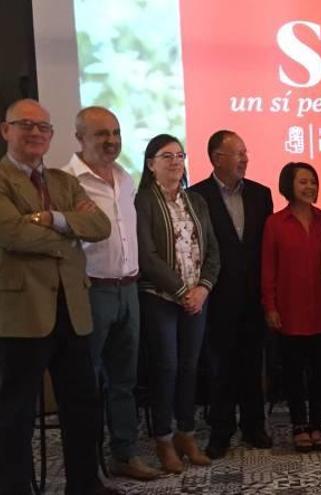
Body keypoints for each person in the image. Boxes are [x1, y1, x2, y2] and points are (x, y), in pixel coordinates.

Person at [0, 99, 118, 494]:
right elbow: (11, 234)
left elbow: (99, 226)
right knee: (14, 414)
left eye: (43, 128)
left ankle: (84, 485)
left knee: (82, 405)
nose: (35, 133)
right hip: (22, 313)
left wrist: (53, 219)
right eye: (24, 125)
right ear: (6, 131)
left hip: (73, 309)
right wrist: (69, 235)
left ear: (52, 137)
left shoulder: (62, 181)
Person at [61, 106, 161, 480]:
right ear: (80, 138)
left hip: (128, 289)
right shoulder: (65, 181)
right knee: (87, 384)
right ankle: (90, 467)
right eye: (101, 134)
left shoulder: (125, 177)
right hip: (91, 291)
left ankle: (125, 453)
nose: (111, 141)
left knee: (124, 381)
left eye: (116, 132)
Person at [136, 133, 220, 473]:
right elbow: (147, 255)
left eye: (180, 155)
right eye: (166, 156)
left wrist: (201, 289)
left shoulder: (196, 201)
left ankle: (187, 434)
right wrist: (181, 291)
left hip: (196, 300)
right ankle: (164, 440)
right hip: (160, 299)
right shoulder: (142, 201)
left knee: (189, 368)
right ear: (150, 164)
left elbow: (212, 252)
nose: (175, 162)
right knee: (166, 368)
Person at [189, 130, 274, 459]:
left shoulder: (261, 194)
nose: (245, 158)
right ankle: (221, 430)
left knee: (253, 363)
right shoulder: (196, 196)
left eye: (245, 152)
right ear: (216, 158)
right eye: (237, 153)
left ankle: (254, 425)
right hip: (216, 296)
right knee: (220, 365)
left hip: (254, 296)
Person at [262, 162, 321, 452]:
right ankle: (298, 425)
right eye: (303, 182)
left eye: (313, 182)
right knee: (293, 372)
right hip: (290, 311)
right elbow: (268, 269)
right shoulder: (274, 223)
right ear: (288, 186)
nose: (310, 187)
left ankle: (316, 424)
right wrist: (270, 306)